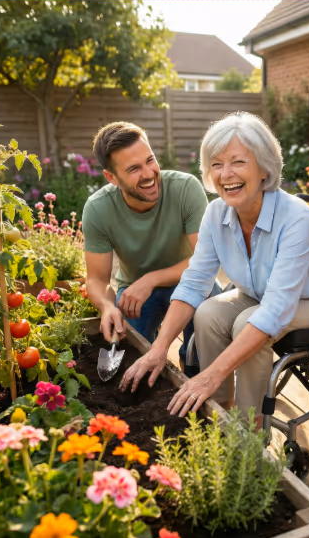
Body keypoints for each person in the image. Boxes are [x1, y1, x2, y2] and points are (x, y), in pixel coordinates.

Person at [120, 111, 309, 419]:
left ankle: (248, 429)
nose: (226, 174)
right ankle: (217, 411)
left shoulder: (296, 217)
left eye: (238, 162)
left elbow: (275, 309)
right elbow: (194, 282)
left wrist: (211, 371)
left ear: (264, 167)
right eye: (216, 164)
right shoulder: (216, 214)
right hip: (258, 296)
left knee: (247, 325)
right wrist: (159, 348)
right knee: (208, 312)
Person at [82, 121, 218, 366]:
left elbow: (205, 261)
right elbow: (96, 279)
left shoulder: (185, 188)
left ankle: (194, 378)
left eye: (150, 160)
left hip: (193, 282)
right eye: (133, 169)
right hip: (136, 295)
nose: (148, 174)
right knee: (131, 355)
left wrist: (151, 279)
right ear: (111, 177)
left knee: (202, 348)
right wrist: (106, 306)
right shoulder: (98, 208)